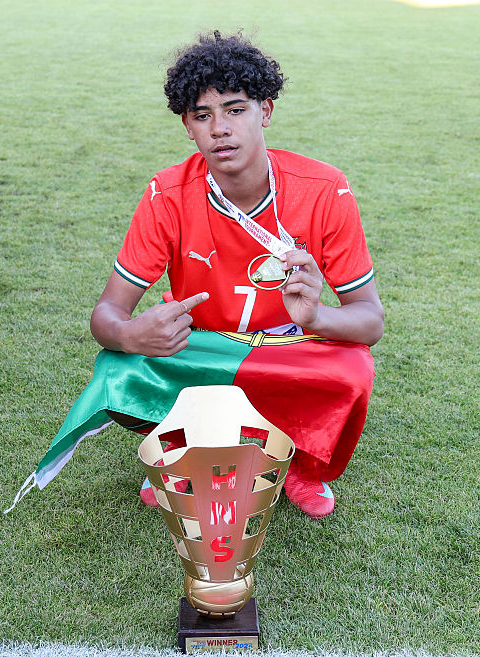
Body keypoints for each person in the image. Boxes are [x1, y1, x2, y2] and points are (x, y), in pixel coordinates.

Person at [89, 31, 384, 518]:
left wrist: (316, 318)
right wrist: (130, 334)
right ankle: (180, 448)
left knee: (353, 369)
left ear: (265, 111)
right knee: (117, 367)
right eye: (202, 115)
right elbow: (106, 314)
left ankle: (303, 463)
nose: (220, 129)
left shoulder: (324, 189)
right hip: (204, 349)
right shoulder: (167, 193)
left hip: (289, 348)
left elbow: (370, 321)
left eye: (235, 109)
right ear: (187, 125)